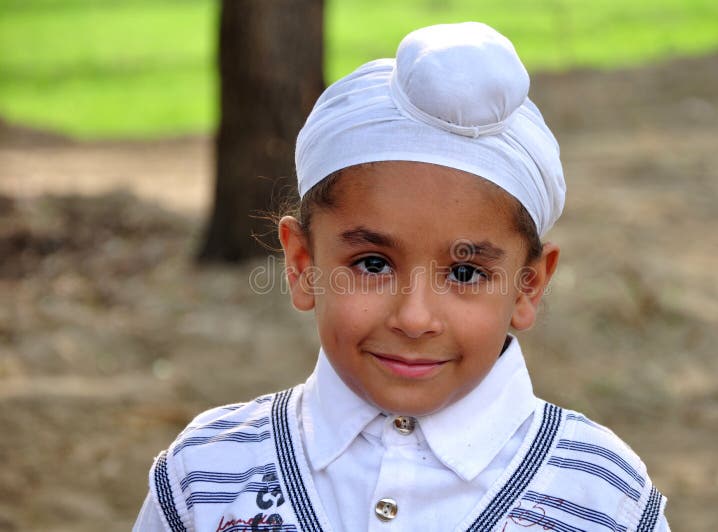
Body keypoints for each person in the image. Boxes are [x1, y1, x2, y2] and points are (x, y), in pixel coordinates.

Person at [134, 22, 669, 532]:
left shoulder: (605, 498)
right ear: (302, 265)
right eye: (372, 264)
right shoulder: (205, 477)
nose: (415, 318)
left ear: (527, 287)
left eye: (465, 272)